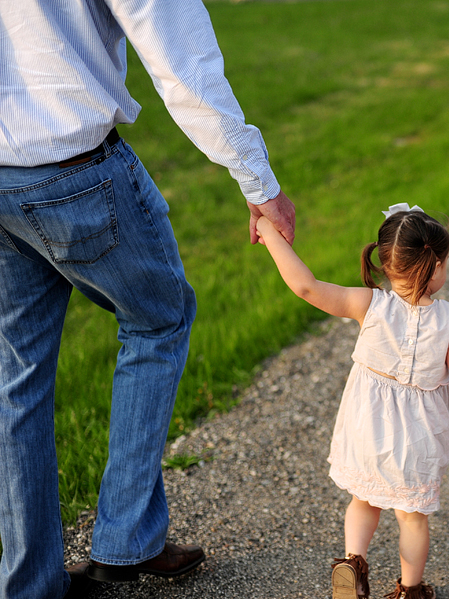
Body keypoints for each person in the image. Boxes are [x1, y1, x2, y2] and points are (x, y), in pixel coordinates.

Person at [0, 1, 296, 598]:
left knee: (17, 374)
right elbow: (181, 59)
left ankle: (29, 586)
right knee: (159, 319)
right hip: (71, 167)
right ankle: (126, 539)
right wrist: (258, 181)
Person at [255, 205, 449, 599]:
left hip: (366, 427)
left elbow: (306, 286)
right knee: (412, 518)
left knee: (362, 501)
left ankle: (352, 565)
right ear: (435, 268)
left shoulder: (370, 304)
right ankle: (410, 590)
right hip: (417, 440)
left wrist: (267, 229)